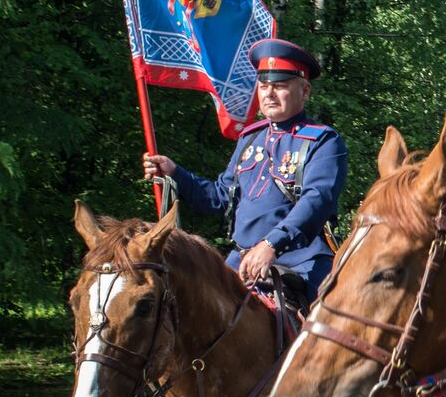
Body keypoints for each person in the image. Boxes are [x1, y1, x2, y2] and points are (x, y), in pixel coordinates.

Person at [142, 38, 346, 300]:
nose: (269, 94)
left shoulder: (323, 141)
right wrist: (174, 173)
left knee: (328, 329)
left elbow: (317, 201)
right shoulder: (250, 139)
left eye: (280, 86)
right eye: (264, 86)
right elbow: (219, 198)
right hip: (241, 262)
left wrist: (272, 244)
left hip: (301, 261)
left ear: (305, 91)